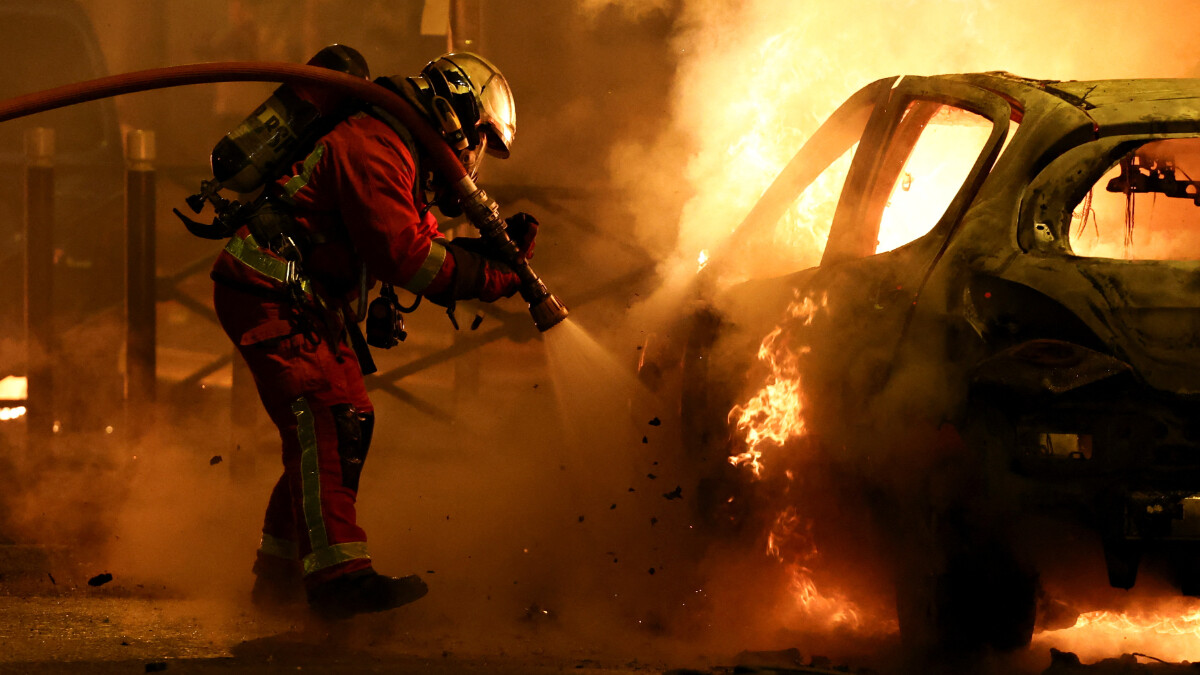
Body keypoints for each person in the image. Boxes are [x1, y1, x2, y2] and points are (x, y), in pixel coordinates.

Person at [209, 52, 537, 620]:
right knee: (331, 420)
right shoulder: (377, 144)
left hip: (295, 295)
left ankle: (280, 577)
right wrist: (487, 274)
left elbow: (416, 232)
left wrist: (483, 253)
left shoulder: (396, 146)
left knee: (334, 427)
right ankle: (338, 581)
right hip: (269, 289)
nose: (475, 156)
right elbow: (405, 256)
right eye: (480, 138)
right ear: (458, 110)